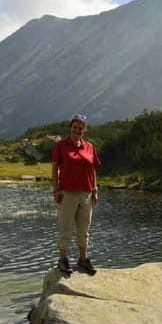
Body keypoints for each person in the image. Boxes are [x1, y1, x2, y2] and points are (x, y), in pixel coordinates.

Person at [51, 113, 101, 275]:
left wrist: (94, 189)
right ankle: (63, 260)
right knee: (66, 227)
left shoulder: (89, 147)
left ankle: (83, 259)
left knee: (84, 229)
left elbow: (92, 169)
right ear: (70, 128)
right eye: (75, 127)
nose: (77, 130)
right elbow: (54, 169)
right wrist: (56, 189)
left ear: (84, 130)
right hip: (67, 193)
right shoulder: (61, 146)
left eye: (81, 128)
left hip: (86, 193)